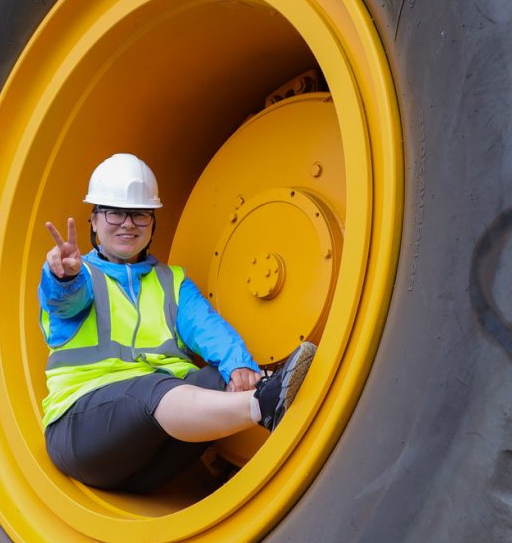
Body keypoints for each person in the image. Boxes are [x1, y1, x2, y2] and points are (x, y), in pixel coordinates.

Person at [40, 153, 315, 492]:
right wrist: (62, 278)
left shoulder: (173, 282)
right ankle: (266, 404)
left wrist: (241, 367)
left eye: (140, 214)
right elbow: (63, 303)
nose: (128, 223)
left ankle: (272, 400)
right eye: (115, 212)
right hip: (83, 434)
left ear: (153, 223)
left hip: (148, 461)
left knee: (220, 379)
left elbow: (209, 329)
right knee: (151, 389)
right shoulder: (78, 276)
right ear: (94, 221)